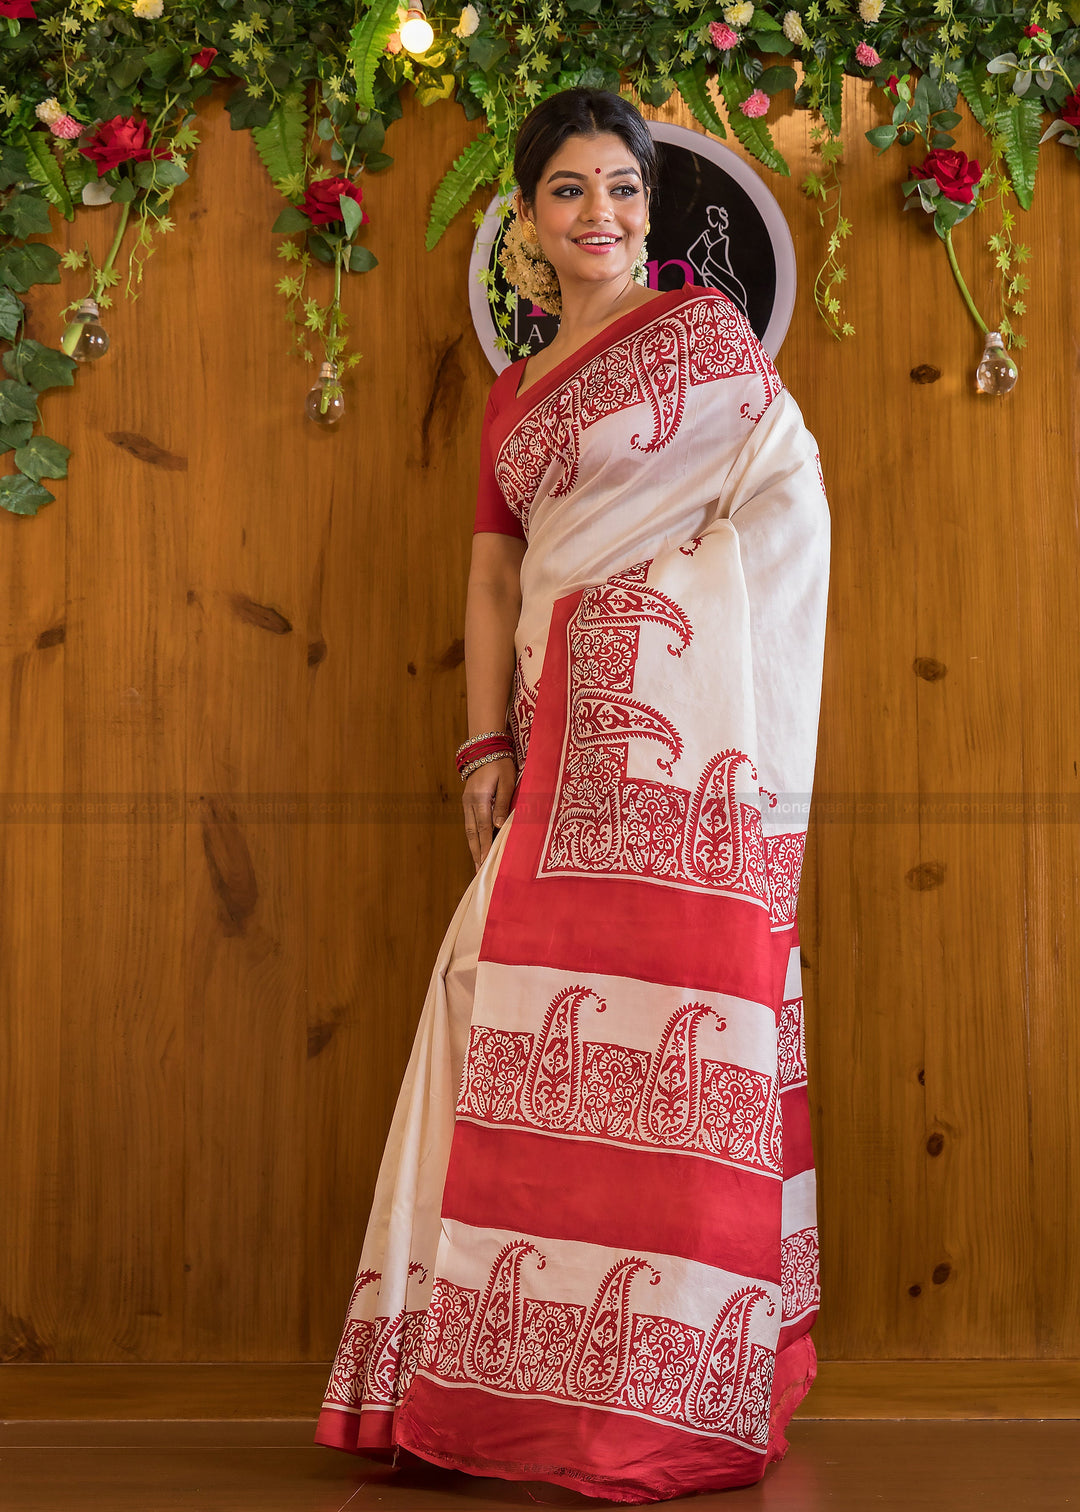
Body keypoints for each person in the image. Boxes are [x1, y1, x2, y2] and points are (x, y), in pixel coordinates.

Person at [314, 86, 830, 1504]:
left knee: (661, 1038)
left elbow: (785, 520)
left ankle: (653, 1397)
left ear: (650, 210)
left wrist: (625, 625)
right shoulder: (517, 388)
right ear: (527, 222)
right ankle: (465, 1383)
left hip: (676, 765)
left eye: (619, 189)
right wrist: (483, 749)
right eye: (565, 192)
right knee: (499, 1010)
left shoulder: (708, 347)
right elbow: (492, 575)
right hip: (550, 750)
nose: (595, 214)